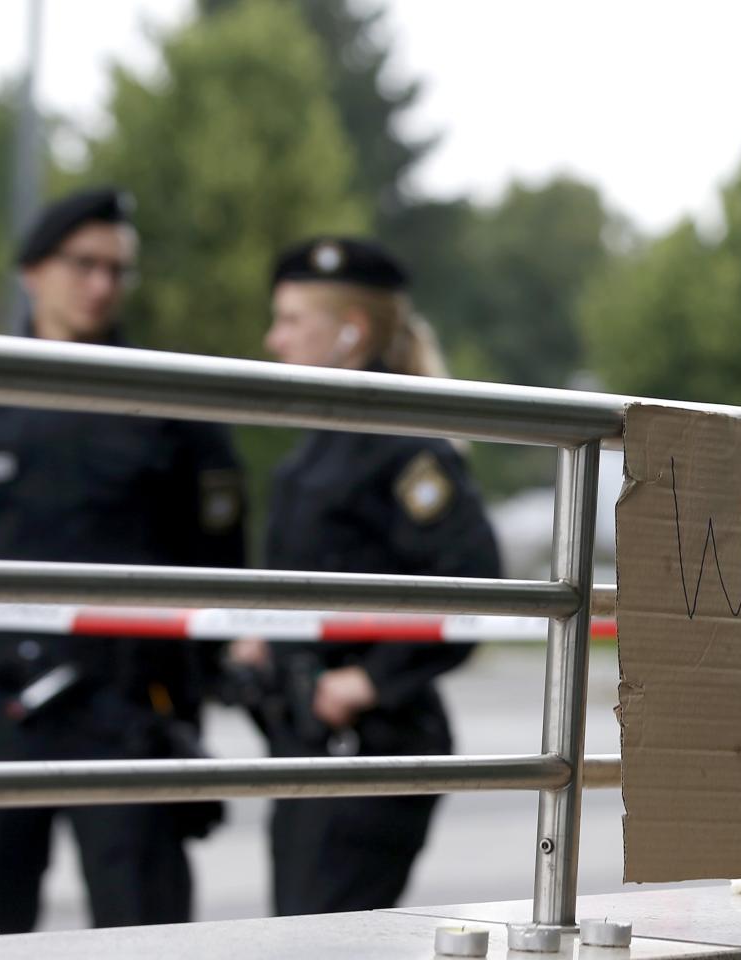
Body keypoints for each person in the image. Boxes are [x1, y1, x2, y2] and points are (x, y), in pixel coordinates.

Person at [0, 187, 247, 932]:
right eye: (83, 264)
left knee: (146, 940)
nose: (102, 285)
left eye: (117, 270)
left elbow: (220, 562)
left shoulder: (167, 400)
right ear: (32, 270)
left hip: (126, 713)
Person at [229, 236, 501, 916]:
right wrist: (268, 639)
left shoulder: (406, 445)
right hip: (310, 747)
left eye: (292, 320)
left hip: (375, 746)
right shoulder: (325, 440)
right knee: (301, 932)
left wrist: (370, 680)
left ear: (350, 331)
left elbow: (475, 584)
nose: (273, 339)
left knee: (319, 939)